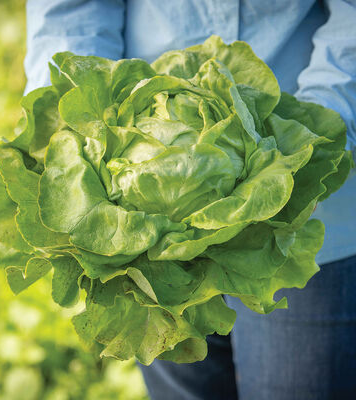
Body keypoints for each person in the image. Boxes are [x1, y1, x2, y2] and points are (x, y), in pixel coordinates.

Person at [25, 1, 356, 399]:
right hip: (145, 255)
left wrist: (312, 142)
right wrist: (70, 128)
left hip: (309, 211)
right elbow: (70, 11)